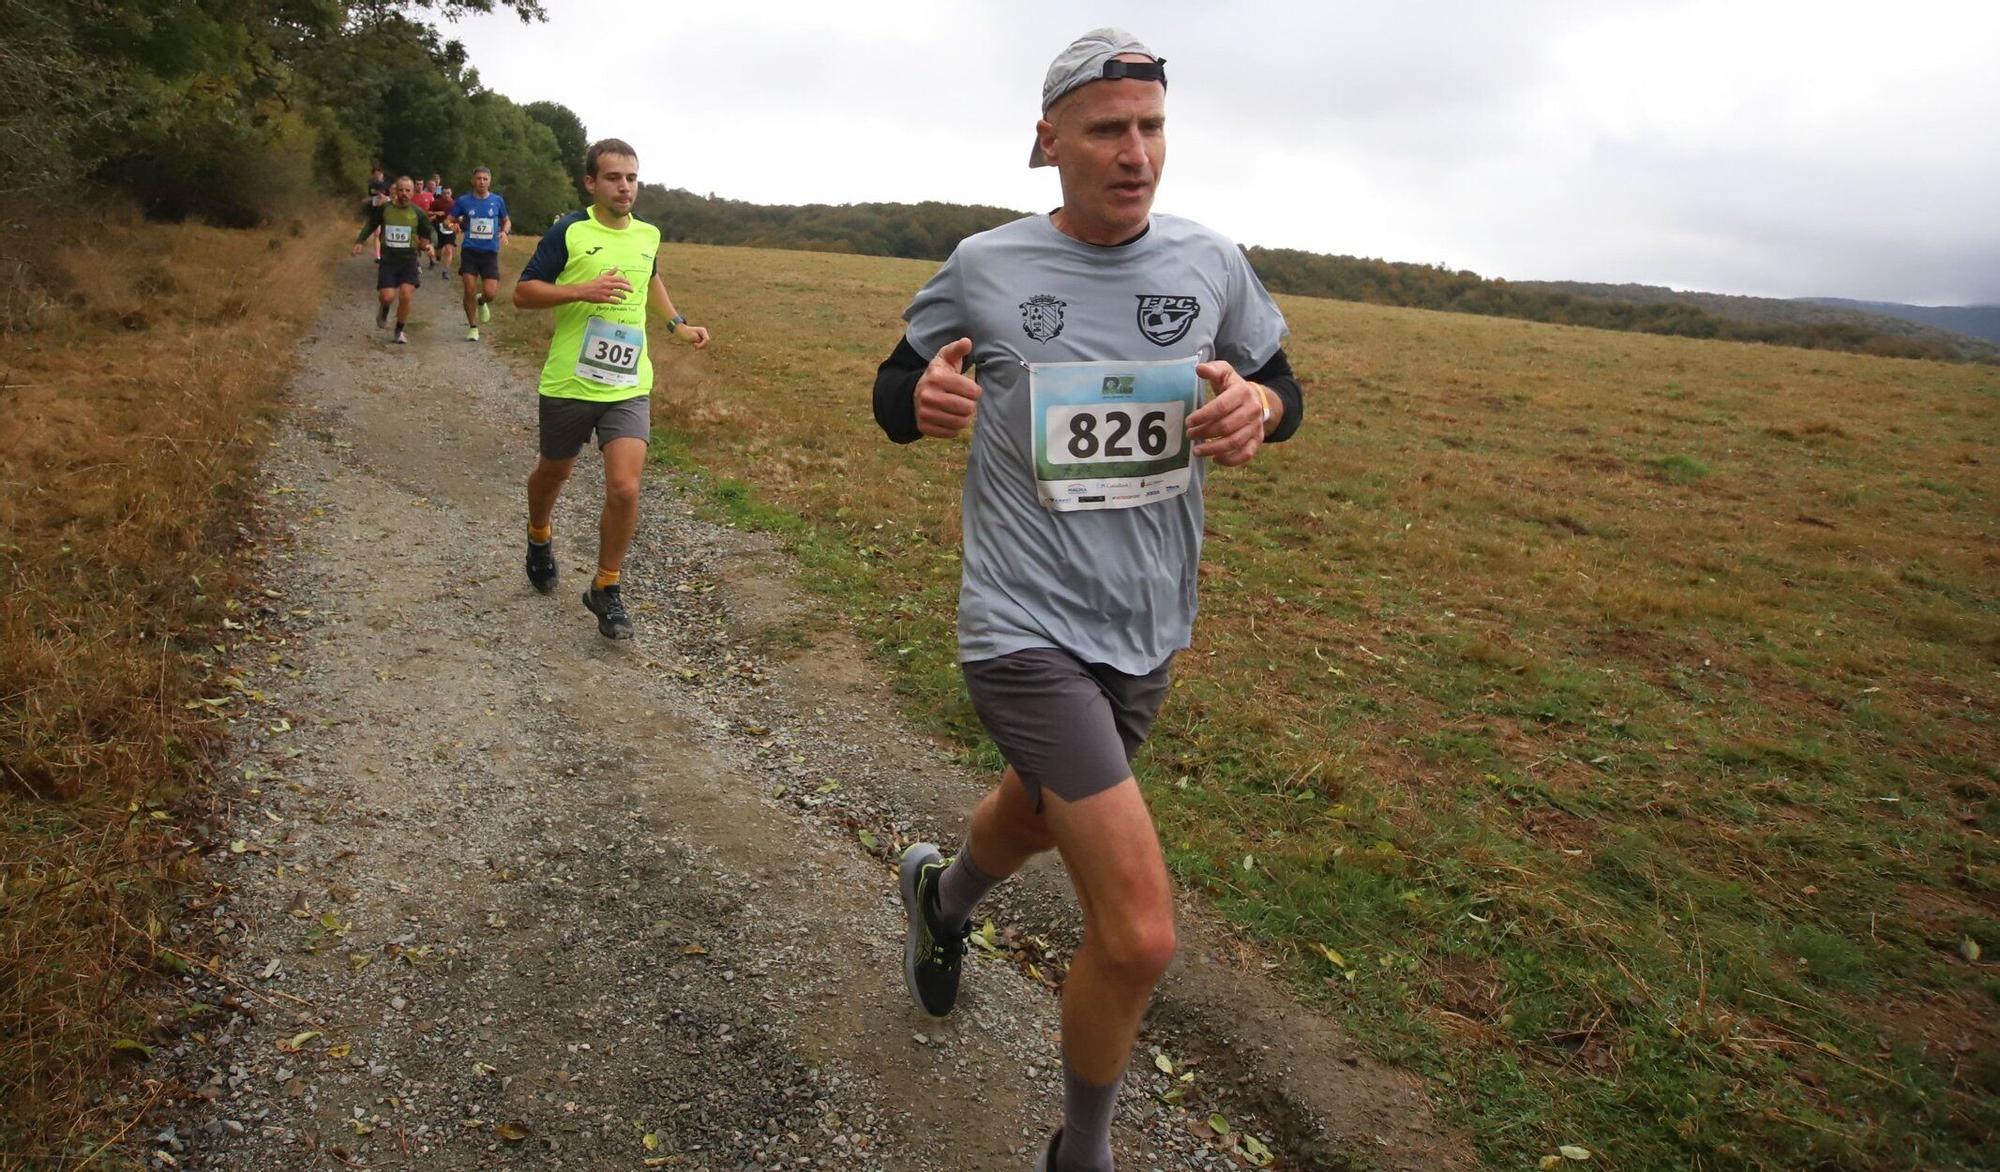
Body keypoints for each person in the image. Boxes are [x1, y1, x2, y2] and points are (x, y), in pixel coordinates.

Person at [872, 29, 1303, 1172]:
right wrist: (919, 399)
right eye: (1108, 129)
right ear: (1048, 140)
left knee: (1032, 808)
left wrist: (1258, 407)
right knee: (1140, 931)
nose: (1134, 153)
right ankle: (1084, 1151)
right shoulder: (985, 264)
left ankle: (941, 898)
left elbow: (1282, 383)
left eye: (1150, 127)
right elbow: (896, 378)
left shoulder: (1209, 262)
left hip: (1147, 621)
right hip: (1019, 621)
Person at [512, 138, 710, 639]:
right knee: (554, 472)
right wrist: (581, 290)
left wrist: (677, 325)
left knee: (625, 486)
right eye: (613, 178)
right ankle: (539, 534)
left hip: (628, 384)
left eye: (632, 178)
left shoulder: (648, 234)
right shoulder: (569, 231)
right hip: (570, 382)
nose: (625, 187)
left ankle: (606, 585)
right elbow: (523, 293)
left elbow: (650, 278)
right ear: (591, 183)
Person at [350, 175, 436, 345]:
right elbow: (371, 224)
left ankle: (399, 330)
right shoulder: (385, 209)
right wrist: (360, 241)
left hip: (409, 260)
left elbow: (429, 230)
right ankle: (384, 309)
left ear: (413, 192)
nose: (404, 193)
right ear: (395, 191)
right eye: (400, 190)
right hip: (389, 260)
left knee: (405, 295)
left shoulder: (417, 212)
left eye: (407, 190)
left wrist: (431, 244)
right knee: (387, 297)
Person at [451, 166, 511, 342]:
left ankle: (482, 301)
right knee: (469, 289)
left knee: (490, 293)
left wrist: (504, 232)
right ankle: (473, 327)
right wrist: (452, 225)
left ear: (490, 181)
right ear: (473, 181)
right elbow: (449, 219)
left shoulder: (497, 201)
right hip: (470, 251)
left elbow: (506, 220)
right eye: (479, 179)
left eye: (485, 179)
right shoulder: (463, 201)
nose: (482, 182)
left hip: (489, 252)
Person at [431, 186, 457, 275]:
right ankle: (438, 257)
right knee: (438, 249)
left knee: (449, 250)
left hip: (450, 228)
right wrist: (436, 213)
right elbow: (428, 212)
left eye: (448, 193)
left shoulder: (455, 204)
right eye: (444, 193)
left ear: (451, 193)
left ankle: (445, 271)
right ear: (441, 194)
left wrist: (458, 222)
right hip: (439, 227)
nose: (446, 195)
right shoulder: (436, 202)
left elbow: (460, 216)